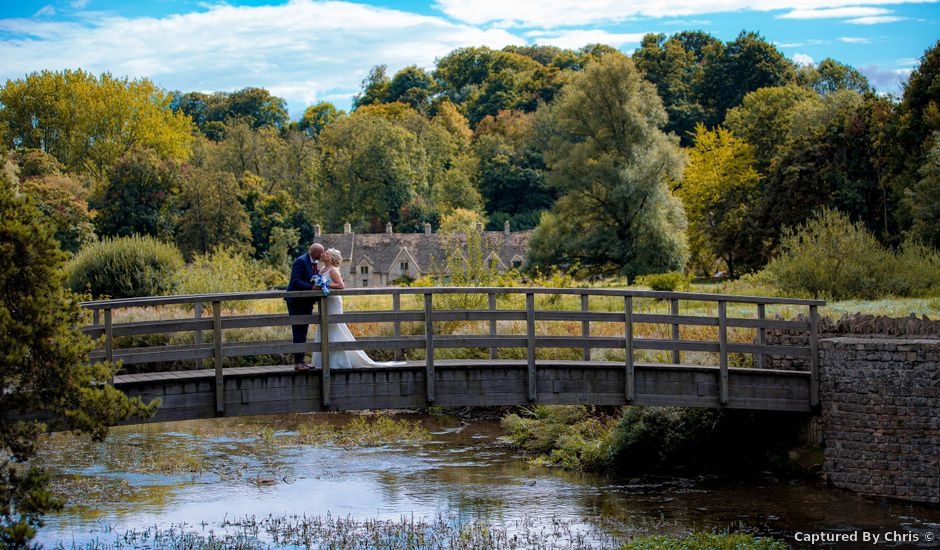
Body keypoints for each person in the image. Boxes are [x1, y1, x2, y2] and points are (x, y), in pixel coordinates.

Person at [312, 248, 405, 369]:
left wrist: (324, 285)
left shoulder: (333, 270)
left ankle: (338, 361)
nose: (323, 254)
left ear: (332, 258)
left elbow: (340, 285)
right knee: (324, 326)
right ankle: (325, 359)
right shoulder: (322, 270)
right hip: (324, 302)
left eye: (327, 253)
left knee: (335, 326)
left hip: (333, 302)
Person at [286, 243, 324, 371]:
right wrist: (311, 287)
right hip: (297, 302)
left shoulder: (313, 263)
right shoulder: (301, 261)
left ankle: (301, 361)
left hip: (305, 302)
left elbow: (311, 278)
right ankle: (298, 363)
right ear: (314, 252)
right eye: (321, 253)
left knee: (303, 333)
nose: (322, 255)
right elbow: (296, 280)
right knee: (298, 332)